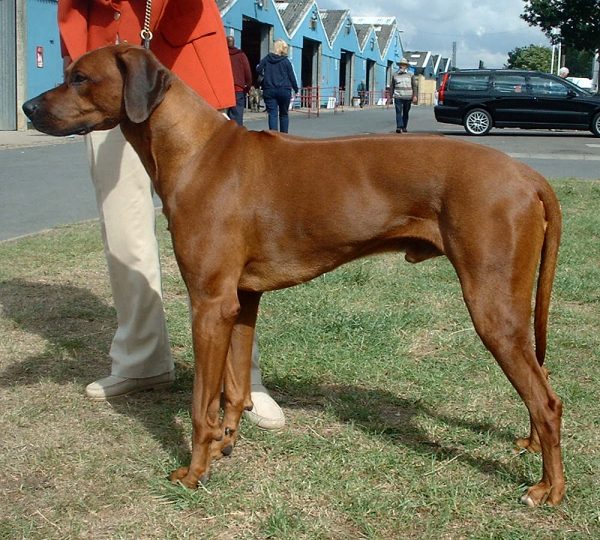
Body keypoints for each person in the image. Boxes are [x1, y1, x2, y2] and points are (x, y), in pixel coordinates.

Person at [57, 0, 285, 430]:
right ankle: (142, 359)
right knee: (123, 230)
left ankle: (245, 381)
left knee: (227, 239)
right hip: (104, 69)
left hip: (186, 72)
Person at [256, 39, 299, 133]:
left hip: (269, 89)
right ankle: (284, 137)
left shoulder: (267, 58)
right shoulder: (286, 61)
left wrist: (264, 75)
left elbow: (258, 69)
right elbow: (292, 77)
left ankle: (274, 137)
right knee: (284, 114)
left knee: (272, 114)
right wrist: (296, 89)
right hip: (284, 90)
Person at [226, 35, 252, 126]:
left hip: (224, 89)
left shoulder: (222, 54)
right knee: (237, 114)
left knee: (224, 115)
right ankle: (237, 135)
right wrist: (247, 87)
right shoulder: (241, 55)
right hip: (238, 88)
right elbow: (247, 72)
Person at [391, 57, 418, 133]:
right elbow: (392, 86)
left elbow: (414, 86)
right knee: (398, 111)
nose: (402, 66)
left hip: (408, 96)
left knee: (406, 112)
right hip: (398, 96)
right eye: (401, 65)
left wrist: (415, 95)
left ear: (406, 66)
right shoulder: (395, 75)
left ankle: (404, 126)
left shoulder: (411, 75)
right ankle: (399, 127)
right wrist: (390, 96)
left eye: (403, 65)